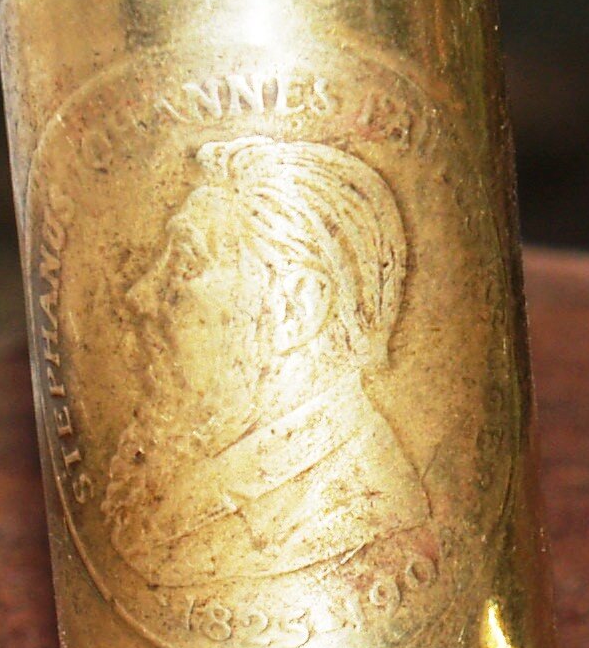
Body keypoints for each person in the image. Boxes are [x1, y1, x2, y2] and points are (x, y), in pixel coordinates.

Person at [99, 134, 433, 597]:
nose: (141, 297)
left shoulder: (356, 509)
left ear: (297, 308)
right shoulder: (190, 466)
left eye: (186, 265)